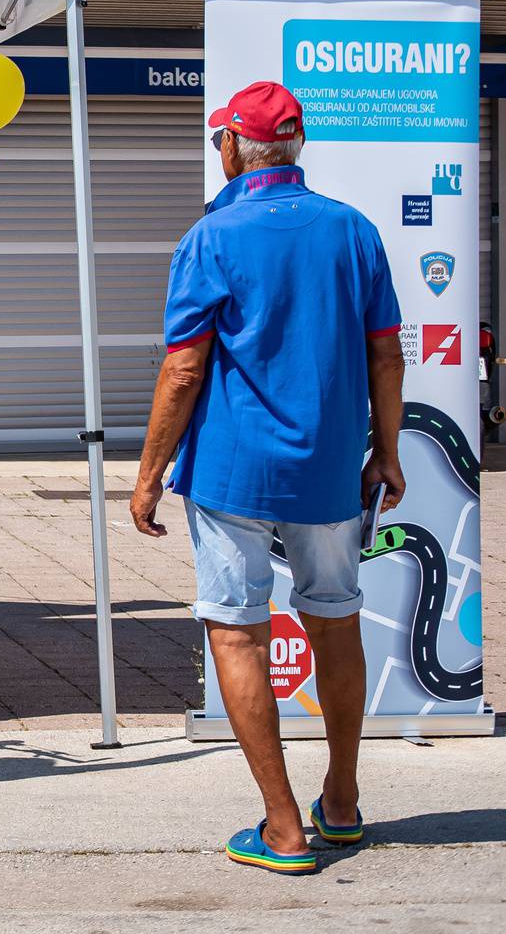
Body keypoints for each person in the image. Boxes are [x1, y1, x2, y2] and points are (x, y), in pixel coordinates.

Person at [128, 81, 406, 874]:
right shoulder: (354, 230)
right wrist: (386, 451)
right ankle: (342, 802)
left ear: (232, 147)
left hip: (232, 469)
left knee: (239, 630)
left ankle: (283, 827)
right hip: (328, 465)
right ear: (293, 147)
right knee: (335, 619)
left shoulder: (212, 236)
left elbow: (184, 370)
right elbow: (387, 353)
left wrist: (147, 475)